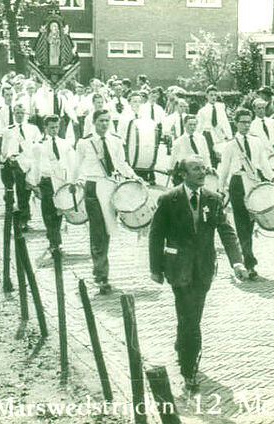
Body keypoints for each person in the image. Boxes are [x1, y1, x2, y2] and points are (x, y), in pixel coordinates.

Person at [149, 155, 249, 390]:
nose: (202, 172)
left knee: (191, 315)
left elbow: (226, 231)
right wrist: (155, 268)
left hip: (203, 269)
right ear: (183, 174)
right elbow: (156, 235)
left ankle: (182, 346)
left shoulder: (213, 199)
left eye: (203, 168)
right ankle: (189, 369)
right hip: (177, 269)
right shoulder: (168, 199)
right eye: (196, 169)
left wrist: (237, 262)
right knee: (190, 318)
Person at [75, 110, 139, 294]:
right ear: (94, 122)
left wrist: (134, 177)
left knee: (108, 230)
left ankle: (100, 270)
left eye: (107, 121)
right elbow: (78, 166)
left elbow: (121, 163)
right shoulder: (84, 142)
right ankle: (102, 275)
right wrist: (78, 182)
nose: (104, 124)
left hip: (110, 187)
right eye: (101, 121)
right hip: (93, 188)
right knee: (98, 232)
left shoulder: (116, 141)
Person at [217, 108, 274, 278]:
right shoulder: (230, 144)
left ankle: (245, 257)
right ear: (236, 123)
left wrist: (272, 178)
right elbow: (224, 168)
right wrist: (221, 189)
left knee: (250, 223)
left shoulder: (256, 142)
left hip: (253, 183)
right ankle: (249, 263)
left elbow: (263, 163)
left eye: (248, 122)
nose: (245, 125)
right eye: (242, 122)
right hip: (237, 184)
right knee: (242, 222)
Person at [35, 115, 75, 252]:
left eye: (56, 127)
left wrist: (72, 180)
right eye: (51, 127)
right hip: (46, 182)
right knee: (48, 212)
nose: (54, 130)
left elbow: (72, 163)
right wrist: (35, 185)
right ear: (45, 128)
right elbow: (35, 166)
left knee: (59, 211)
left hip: (61, 182)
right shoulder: (39, 145)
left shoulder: (65, 144)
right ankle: (54, 241)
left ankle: (55, 238)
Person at [0, 103, 42, 231]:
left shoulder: (33, 129)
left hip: (29, 161)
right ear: (14, 114)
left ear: (25, 114)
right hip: (15, 161)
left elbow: (38, 145)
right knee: (20, 189)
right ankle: (23, 218)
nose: (19, 115)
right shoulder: (8, 130)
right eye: (17, 113)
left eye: (22, 113)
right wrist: (6, 159)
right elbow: (4, 149)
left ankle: (24, 215)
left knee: (27, 189)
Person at [170, 115, 214, 185]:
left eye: (194, 125)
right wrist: (171, 169)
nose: (192, 127)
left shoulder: (201, 139)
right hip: (186, 173)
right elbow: (173, 158)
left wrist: (208, 166)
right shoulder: (178, 141)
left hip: (199, 171)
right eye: (190, 124)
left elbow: (206, 154)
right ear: (184, 125)